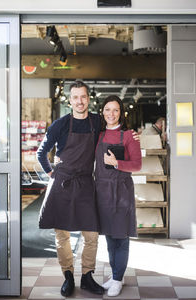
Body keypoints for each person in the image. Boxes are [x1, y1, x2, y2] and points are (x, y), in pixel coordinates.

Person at [37, 80, 104, 297]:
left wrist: (130, 137)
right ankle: (68, 276)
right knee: (62, 235)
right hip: (62, 183)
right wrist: (52, 174)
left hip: (85, 182)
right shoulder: (61, 124)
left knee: (91, 234)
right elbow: (41, 153)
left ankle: (87, 276)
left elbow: (114, 133)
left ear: (88, 98)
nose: (79, 101)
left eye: (83, 96)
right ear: (70, 100)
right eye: (75, 97)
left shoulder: (97, 121)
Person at [95, 95, 142, 297]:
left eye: (115, 110)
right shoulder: (98, 134)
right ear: (102, 112)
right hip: (102, 190)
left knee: (121, 236)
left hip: (122, 190)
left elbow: (137, 165)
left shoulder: (129, 135)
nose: (111, 114)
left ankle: (117, 279)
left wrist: (117, 163)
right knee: (109, 236)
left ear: (121, 112)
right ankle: (117, 275)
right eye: (107, 109)